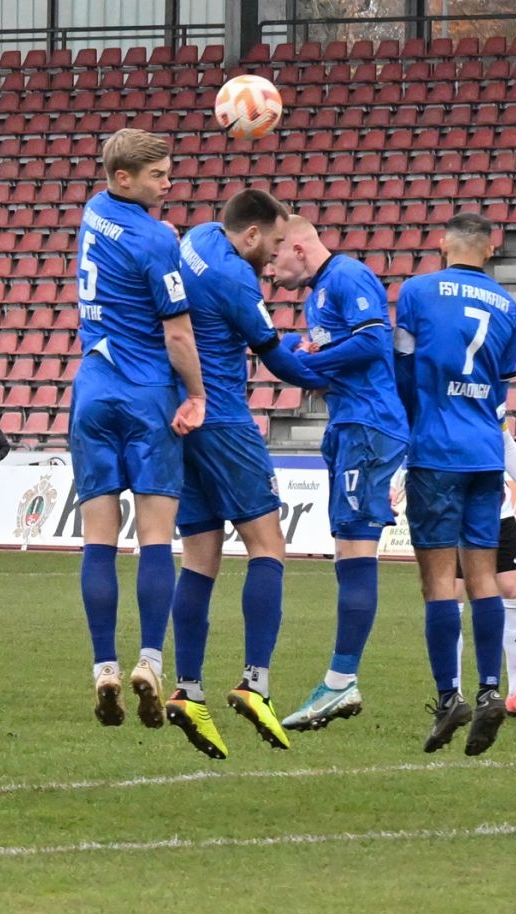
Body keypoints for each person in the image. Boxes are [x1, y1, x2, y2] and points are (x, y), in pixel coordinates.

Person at [163, 189, 328, 759]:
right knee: (268, 546)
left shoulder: (199, 237)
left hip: (182, 416)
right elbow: (276, 360)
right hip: (224, 418)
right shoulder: (236, 280)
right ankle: (255, 682)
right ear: (252, 234)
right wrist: (330, 372)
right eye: (275, 242)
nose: (277, 254)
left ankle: (188, 689)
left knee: (199, 558)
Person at [69, 128, 208, 732]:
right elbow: (177, 334)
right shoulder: (155, 241)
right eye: (158, 175)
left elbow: (126, 238)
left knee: (98, 539)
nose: (169, 183)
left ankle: (104, 667)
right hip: (147, 393)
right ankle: (150, 660)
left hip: (92, 390)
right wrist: (197, 394)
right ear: (124, 178)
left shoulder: (93, 211)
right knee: (155, 537)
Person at [264, 216, 410, 731]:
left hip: (369, 426)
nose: (270, 270)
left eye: (274, 259)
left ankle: (342, 681)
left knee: (356, 549)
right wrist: (293, 355)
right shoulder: (317, 295)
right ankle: (340, 680)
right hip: (348, 424)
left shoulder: (347, 276)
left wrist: (312, 356)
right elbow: (332, 368)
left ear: (299, 249)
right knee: (348, 550)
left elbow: (373, 343)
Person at [392, 212, 516, 756]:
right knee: (483, 576)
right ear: (489, 250)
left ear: (442, 244)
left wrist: (413, 420)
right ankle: (491, 689)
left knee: (439, 581)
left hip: (436, 450)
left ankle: (450, 696)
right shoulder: (507, 305)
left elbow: (402, 368)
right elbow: (501, 390)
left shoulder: (416, 292)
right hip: (485, 453)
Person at [455, 424, 516, 717]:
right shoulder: (439, 401)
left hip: (498, 512)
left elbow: (506, 442)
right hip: (451, 511)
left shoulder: (492, 402)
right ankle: (452, 694)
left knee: (512, 589)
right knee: (452, 596)